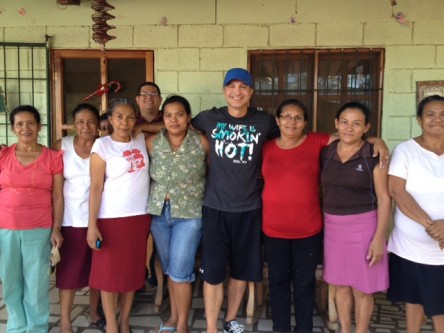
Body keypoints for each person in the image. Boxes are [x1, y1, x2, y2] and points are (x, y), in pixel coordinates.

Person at [262, 99, 389, 333]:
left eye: (298, 117)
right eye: (286, 116)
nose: (292, 121)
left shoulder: (317, 142)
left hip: (309, 229)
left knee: (305, 284)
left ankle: (304, 329)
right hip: (274, 229)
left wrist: (377, 141)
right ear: (277, 120)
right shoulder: (266, 147)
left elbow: (351, 137)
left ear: (306, 123)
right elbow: (347, 134)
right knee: (278, 283)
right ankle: (280, 328)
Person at [191, 68, 280, 333]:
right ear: (224, 91)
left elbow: (292, 140)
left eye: (244, 87)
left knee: (241, 270)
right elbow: (177, 125)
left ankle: (230, 320)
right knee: (214, 272)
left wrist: (374, 141)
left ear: (251, 92)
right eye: (232, 86)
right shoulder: (209, 118)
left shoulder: (264, 122)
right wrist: (137, 129)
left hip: (250, 209)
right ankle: (210, 328)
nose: (237, 92)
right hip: (215, 208)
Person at [320, 101, 391, 333]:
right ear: (336, 124)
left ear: (366, 127)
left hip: (364, 227)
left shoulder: (373, 154)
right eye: (344, 122)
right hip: (333, 227)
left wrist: (379, 238)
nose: (349, 128)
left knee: (362, 289)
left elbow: (384, 199)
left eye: (357, 123)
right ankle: (345, 330)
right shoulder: (327, 150)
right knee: (340, 284)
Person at [87, 98, 151, 333]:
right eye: (119, 117)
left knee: (131, 274)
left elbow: (161, 125)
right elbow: (95, 188)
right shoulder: (102, 146)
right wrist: (91, 225)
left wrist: (142, 126)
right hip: (111, 219)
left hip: (139, 218)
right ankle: (112, 325)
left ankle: (124, 321)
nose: (125, 122)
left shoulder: (141, 139)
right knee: (108, 276)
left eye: (130, 117)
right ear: (110, 119)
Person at [147, 95, 209, 333]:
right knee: (171, 268)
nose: (174, 120)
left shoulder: (202, 142)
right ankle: (173, 317)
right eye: (168, 115)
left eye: (179, 114)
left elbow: (214, 173)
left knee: (181, 271)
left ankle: (182, 324)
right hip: (159, 214)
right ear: (162, 118)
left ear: (189, 117)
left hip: (190, 214)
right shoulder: (152, 142)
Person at [0, 105, 64, 333]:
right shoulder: (3, 155)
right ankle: (17, 327)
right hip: (5, 228)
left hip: (39, 227)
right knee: (10, 282)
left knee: (36, 283)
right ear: (13, 128)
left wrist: (56, 229)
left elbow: (57, 195)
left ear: (39, 127)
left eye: (30, 123)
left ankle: (36, 328)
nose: (25, 128)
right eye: (19, 124)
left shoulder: (53, 157)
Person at [387, 94, 444, 333]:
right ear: (420, 119)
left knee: (440, 306)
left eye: (443, 114)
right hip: (411, 247)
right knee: (414, 299)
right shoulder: (406, 151)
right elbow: (396, 191)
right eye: (430, 114)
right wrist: (433, 226)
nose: (437, 119)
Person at [52, 103, 105, 333]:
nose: (86, 126)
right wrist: (55, 226)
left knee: (98, 271)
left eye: (91, 122)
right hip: (71, 220)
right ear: (74, 124)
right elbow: (55, 190)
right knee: (68, 273)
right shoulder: (61, 146)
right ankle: (65, 321)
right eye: (81, 122)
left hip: (100, 218)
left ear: (98, 125)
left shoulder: (105, 146)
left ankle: (94, 313)